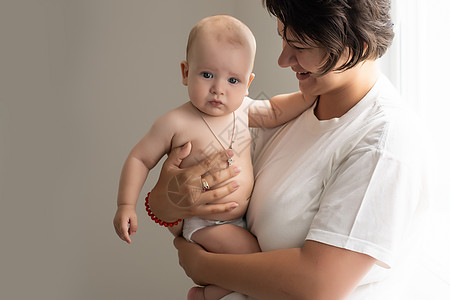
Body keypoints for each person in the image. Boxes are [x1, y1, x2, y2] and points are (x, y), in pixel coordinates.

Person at [146, 1, 430, 300]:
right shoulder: (279, 114)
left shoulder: (384, 141)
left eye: (299, 46)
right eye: (283, 37)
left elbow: (319, 284)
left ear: (354, 47)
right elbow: (183, 205)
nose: (283, 59)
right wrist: (166, 204)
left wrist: (203, 265)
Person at [113, 15, 315, 300]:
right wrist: (126, 205)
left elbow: (275, 110)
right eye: (207, 75)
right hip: (204, 224)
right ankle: (209, 295)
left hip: (237, 221)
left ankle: (209, 293)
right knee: (254, 261)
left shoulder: (244, 110)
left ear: (248, 83)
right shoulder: (176, 122)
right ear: (185, 72)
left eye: (233, 80)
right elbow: (139, 159)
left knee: (256, 265)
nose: (219, 88)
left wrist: (309, 95)